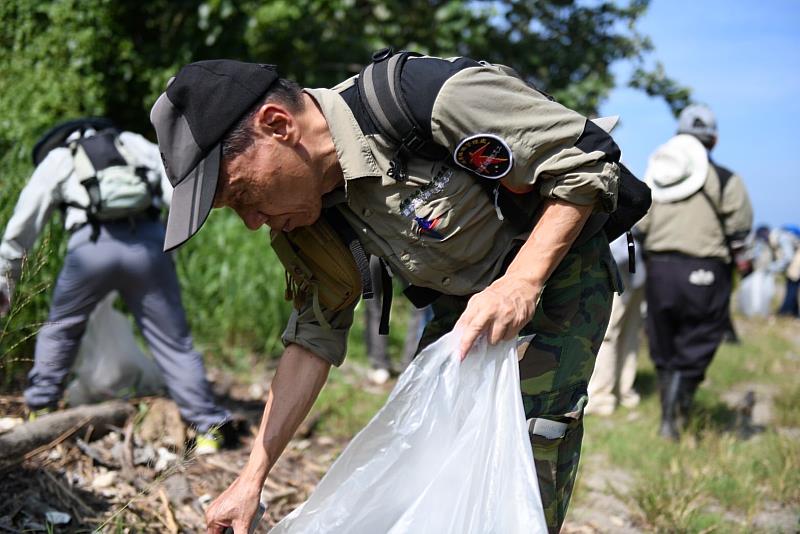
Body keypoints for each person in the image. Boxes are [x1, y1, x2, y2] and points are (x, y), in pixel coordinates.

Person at [150, 56, 627, 533]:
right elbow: (315, 335)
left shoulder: (425, 98)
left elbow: (585, 157)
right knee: (429, 442)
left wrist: (523, 280)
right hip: (460, 301)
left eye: (242, 195)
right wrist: (251, 480)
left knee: (524, 440)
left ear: (278, 126)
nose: (252, 221)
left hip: (556, 268)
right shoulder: (305, 216)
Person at [0, 119, 233, 453]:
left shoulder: (61, 156)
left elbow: (24, 223)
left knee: (61, 328)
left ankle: (41, 407)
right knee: (174, 342)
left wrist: (4, 281)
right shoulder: (133, 143)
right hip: (150, 247)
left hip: (90, 248)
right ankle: (209, 428)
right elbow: (176, 192)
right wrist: (167, 243)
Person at [638, 104, 753, 440]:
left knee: (663, 341)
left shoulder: (656, 176)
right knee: (699, 338)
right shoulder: (726, 179)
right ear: (713, 141)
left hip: (659, 268)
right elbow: (740, 230)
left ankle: (666, 417)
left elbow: (640, 224)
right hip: (705, 269)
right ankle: (679, 413)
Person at [585, 233, 645, 416]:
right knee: (628, 333)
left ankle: (601, 398)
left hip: (617, 266)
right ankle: (624, 391)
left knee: (607, 334)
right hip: (635, 265)